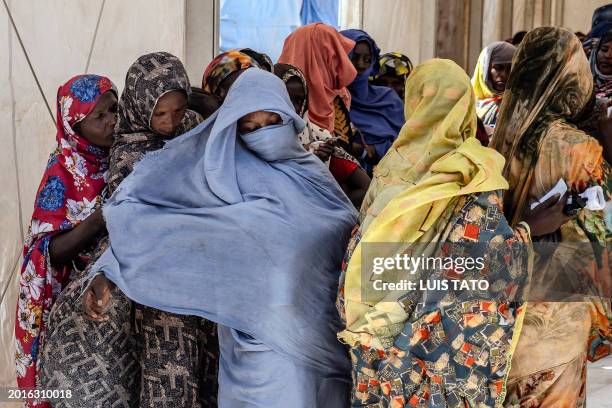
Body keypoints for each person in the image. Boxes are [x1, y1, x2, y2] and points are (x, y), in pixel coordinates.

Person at [81, 68, 358, 408]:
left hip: (318, 330)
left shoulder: (312, 174)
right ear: (233, 129)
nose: (262, 136)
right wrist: (110, 266)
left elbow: (347, 231)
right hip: (253, 338)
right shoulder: (220, 176)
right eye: (249, 128)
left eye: (272, 123)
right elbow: (155, 221)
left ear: (290, 119)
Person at [336, 58, 571, 407]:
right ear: (465, 108)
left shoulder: (391, 165)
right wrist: (530, 228)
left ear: (413, 102)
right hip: (437, 338)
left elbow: (364, 250)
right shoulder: (474, 172)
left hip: (379, 330)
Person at [40, 52, 218, 408]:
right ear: (140, 107)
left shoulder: (194, 128)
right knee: (154, 362)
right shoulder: (127, 151)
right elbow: (130, 219)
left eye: (178, 110)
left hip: (195, 261)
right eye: (160, 114)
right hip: (145, 267)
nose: (170, 123)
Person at [489, 27, 610, 407]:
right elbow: (600, 232)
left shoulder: (498, 138)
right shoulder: (579, 149)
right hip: (556, 315)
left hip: (504, 306)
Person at [14, 74, 117, 407]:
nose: (112, 121)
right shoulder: (62, 169)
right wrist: (99, 219)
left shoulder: (122, 158)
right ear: (75, 124)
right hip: (66, 306)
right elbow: (48, 252)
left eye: (114, 110)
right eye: (99, 116)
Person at [274, 62, 370, 208]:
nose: (293, 108)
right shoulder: (254, 137)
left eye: (299, 101)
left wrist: (331, 209)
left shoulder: (318, 137)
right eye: (286, 99)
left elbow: (367, 188)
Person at [278, 23, 360, 164]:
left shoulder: (338, 95)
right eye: (334, 57)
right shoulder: (274, 106)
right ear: (319, 57)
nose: (342, 64)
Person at [340, 29, 405, 174]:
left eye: (367, 59)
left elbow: (407, 145)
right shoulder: (331, 100)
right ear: (340, 57)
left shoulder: (389, 100)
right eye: (354, 57)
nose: (361, 65)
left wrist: (368, 151)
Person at [471, 41, 516, 129]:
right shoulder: (466, 102)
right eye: (498, 68)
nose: (504, 74)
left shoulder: (520, 105)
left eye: (510, 69)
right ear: (485, 68)